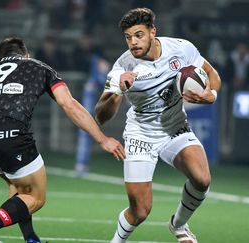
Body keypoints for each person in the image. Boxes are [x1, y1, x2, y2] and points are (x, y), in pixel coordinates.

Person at [0, 36, 125, 243]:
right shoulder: (37, 66)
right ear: (26, 54)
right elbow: (69, 104)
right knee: (35, 197)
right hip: (11, 134)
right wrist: (102, 139)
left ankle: (30, 238)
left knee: (20, 187)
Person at [94, 8, 221, 243]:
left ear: (153, 32)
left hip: (175, 126)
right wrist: (118, 91)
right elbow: (100, 116)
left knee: (202, 179)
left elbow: (211, 73)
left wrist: (211, 94)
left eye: (139, 35)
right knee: (140, 211)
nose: (133, 42)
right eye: (128, 37)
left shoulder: (181, 48)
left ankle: (179, 225)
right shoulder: (123, 67)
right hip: (141, 134)